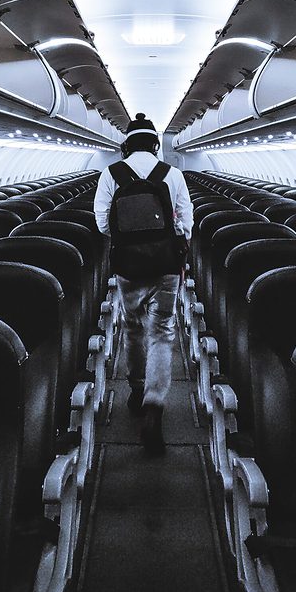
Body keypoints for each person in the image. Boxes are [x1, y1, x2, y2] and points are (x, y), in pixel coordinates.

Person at [93, 113, 193, 454]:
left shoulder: (111, 174)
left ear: (126, 145)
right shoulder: (173, 175)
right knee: (162, 332)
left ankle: (136, 388)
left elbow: (103, 225)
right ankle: (154, 404)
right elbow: (185, 222)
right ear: (154, 144)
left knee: (133, 329)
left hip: (128, 267)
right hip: (165, 265)